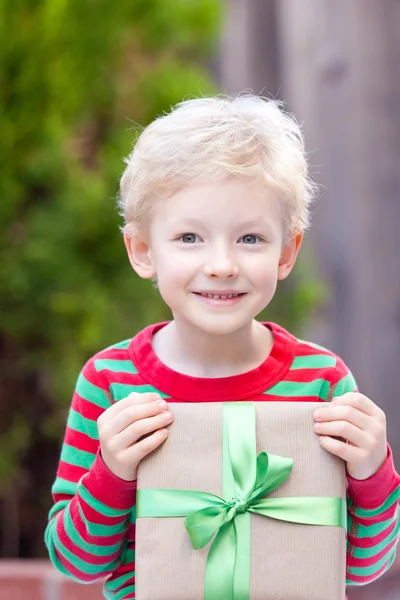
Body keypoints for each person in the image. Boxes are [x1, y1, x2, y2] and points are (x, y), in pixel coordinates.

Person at [45, 95, 400, 599]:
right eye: (189, 237)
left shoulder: (321, 380)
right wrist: (113, 469)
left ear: (287, 251)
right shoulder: (109, 380)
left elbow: (358, 569)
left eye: (250, 239)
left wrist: (373, 475)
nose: (221, 264)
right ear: (143, 250)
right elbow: (75, 563)